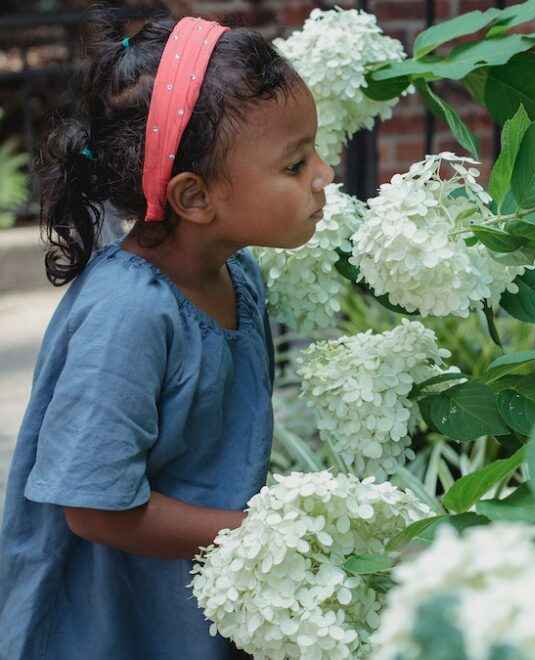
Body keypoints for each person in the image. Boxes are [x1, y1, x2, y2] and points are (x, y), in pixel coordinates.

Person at [0, 8, 333, 659]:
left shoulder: (236, 274)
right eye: (295, 165)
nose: (323, 175)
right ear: (194, 197)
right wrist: (261, 531)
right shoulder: (127, 317)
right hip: (109, 627)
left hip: (192, 602)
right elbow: (94, 510)